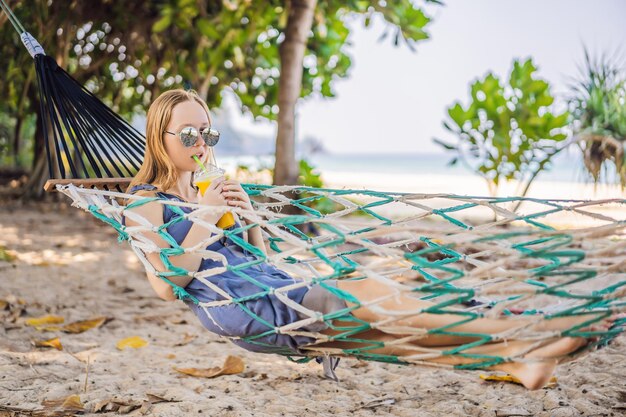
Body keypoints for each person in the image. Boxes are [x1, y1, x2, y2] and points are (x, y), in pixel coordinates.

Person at [124, 89, 611, 390]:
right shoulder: (143, 203)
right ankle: (521, 335)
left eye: (208, 134)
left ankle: (517, 359)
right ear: (158, 136)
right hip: (242, 305)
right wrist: (210, 215)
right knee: (378, 294)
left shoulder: (206, 185)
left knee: (387, 329)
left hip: (270, 285)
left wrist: (246, 215)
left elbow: (262, 255)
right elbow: (168, 284)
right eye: (188, 133)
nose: (200, 144)